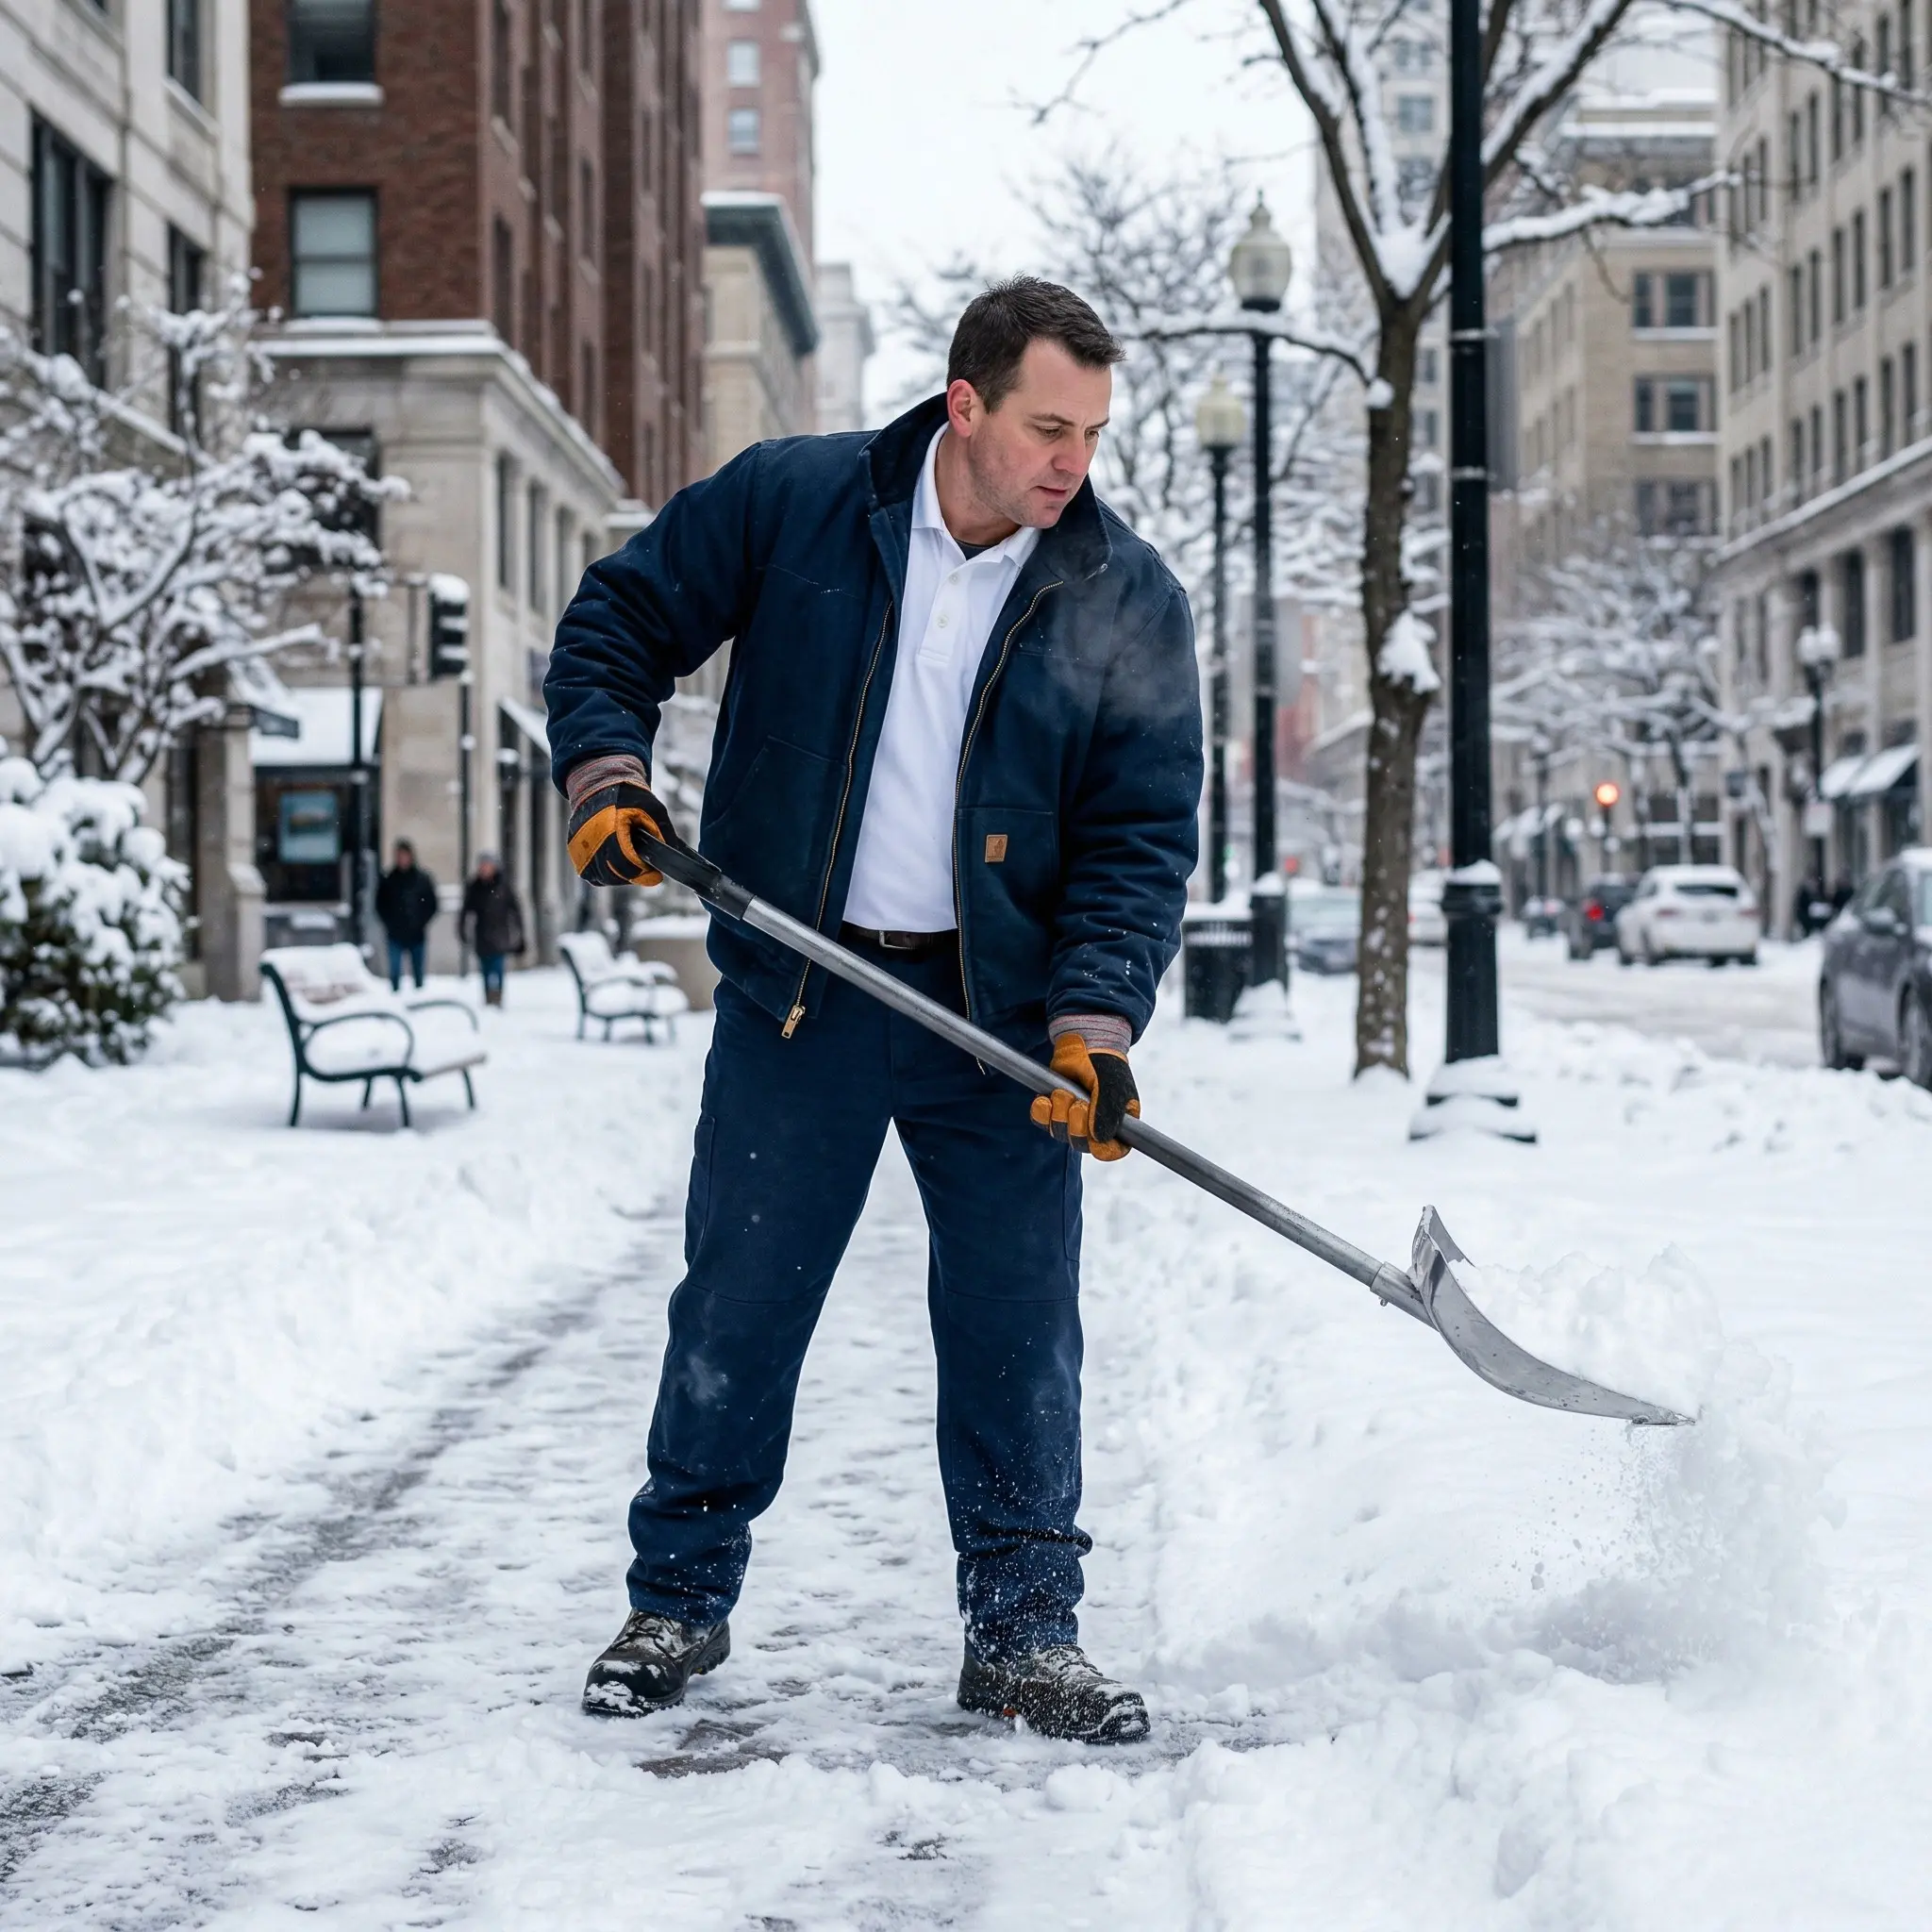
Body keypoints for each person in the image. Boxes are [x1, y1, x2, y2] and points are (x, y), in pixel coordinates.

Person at [545, 278, 1201, 1745]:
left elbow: (1140, 832)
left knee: (1018, 1328)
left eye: (1092, 434)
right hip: (804, 989)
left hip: (1004, 1025)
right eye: (1047, 427)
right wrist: (607, 774)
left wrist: (1096, 1021)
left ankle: (1026, 1633)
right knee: (740, 1300)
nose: (1071, 465)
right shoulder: (800, 504)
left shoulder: (1122, 592)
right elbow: (616, 625)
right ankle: (677, 1599)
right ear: (963, 404)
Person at [459, 854, 526, 1006]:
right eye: (482, 866)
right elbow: (465, 910)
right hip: (482, 935)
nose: (484, 869)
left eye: (487, 865)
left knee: (497, 969)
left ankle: (497, 998)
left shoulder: (503, 886)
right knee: (485, 970)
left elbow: (515, 911)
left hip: (500, 935)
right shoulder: (475, 887)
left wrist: (520, 934)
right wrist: (462, 929)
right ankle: (488, 998)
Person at [375, 840, 439, 991]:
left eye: (405, 855)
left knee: (418, 974)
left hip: (417, 934)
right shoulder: (388, 880)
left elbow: (432, 904)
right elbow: (380, 905)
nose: (402, 859)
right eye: (399, 856)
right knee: (395, 973)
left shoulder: (422, 879)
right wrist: (390, 923)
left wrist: (421, 922)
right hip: (395, 934)